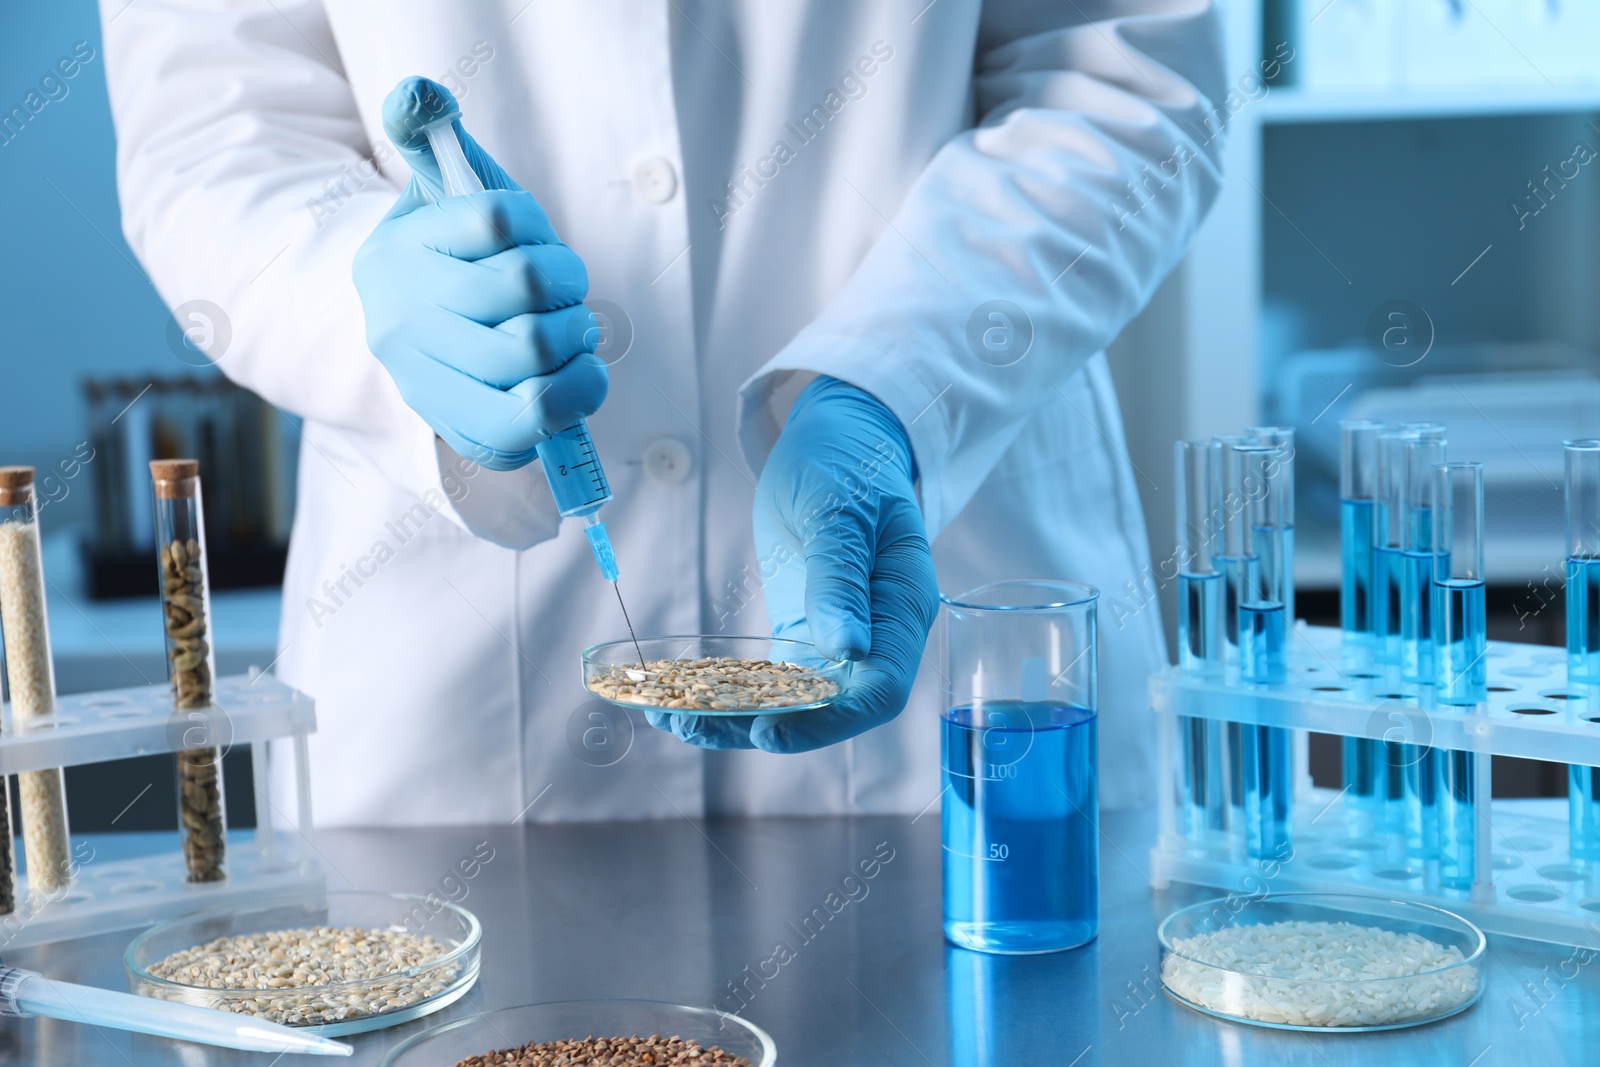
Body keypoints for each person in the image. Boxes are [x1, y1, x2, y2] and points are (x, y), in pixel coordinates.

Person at [102, 1, 1225, 826]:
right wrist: (368, 296)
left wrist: (894, 383)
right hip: (455, 724)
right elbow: (214, 142)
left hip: (961, 609)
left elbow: (1122, 87)